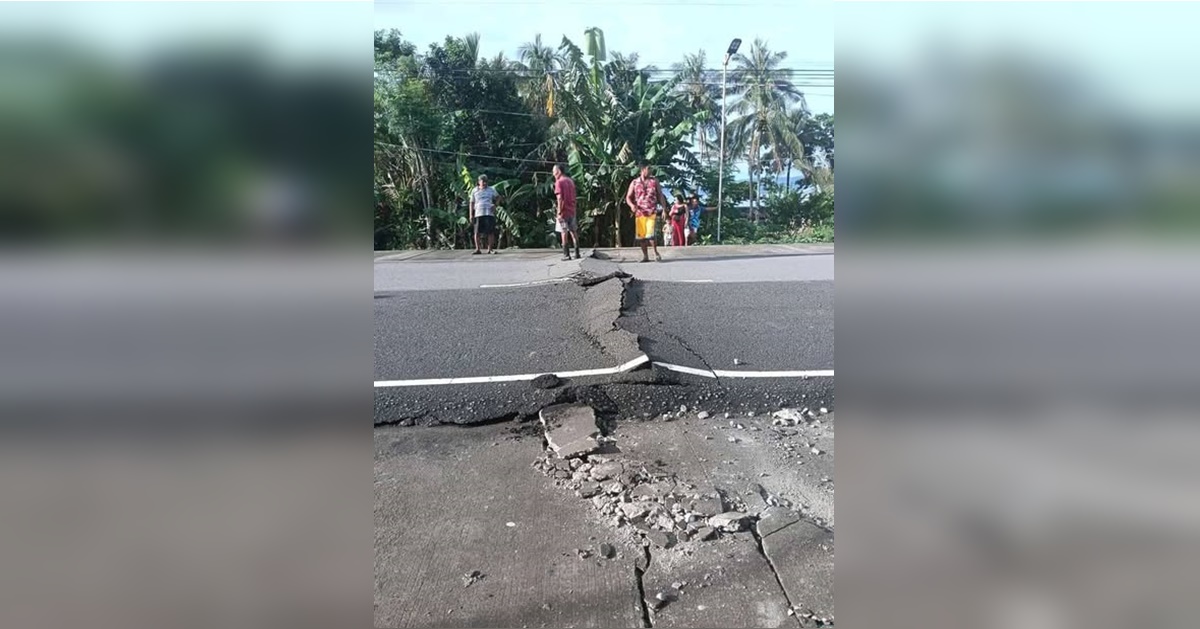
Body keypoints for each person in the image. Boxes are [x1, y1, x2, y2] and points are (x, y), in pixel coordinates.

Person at [624, 162, 667, 262]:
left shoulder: (654, 181)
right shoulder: (634, 182)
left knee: (650, 234)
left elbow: (660, 195)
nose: (651, 171)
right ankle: (645, 256)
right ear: (643, 170)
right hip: (640, 213)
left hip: (651, 211)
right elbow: (628, 197)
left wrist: (664, 208)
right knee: (642, 236)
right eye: (649, 168)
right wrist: (631, 205)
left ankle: (655, 253)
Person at [552, 164, 581, 260]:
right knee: (573, 231)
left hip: (564, 211)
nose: (553, 174)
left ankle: (566, 254)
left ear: (559, 171)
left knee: (563, 232)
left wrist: (559, 212)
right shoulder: (570, 181)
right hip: (572, 210)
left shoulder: (559, 182)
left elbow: (560, 198)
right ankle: (577, 253)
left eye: (554, 172)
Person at [469, 174, 501, 254]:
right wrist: (471, 214)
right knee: (477, 232)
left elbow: (498, 197)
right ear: (479, 182)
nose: (484, 184)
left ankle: (490, 249)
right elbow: (471, 203)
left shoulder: (491, 189)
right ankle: (477, 249)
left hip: (489, 213)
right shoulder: (474, 190)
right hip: (478, 213)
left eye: (486, 182)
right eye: (483, 182)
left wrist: (495, 205)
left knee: (490, 231)